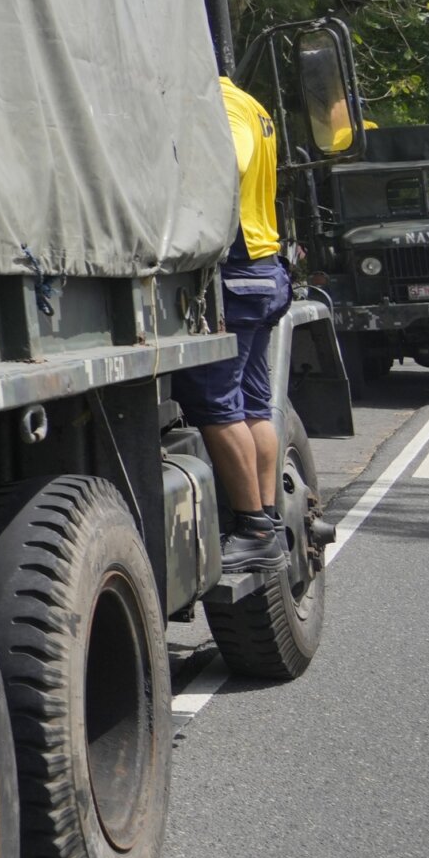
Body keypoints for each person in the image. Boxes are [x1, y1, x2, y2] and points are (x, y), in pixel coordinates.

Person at [169, 76, 298, 575]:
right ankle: (264, 519)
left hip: (239, 271)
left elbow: (234, 161)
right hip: (264, 268)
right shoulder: (251, 100)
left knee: (217, 405)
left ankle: (255, 529)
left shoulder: (219, 101)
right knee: (254, 405)